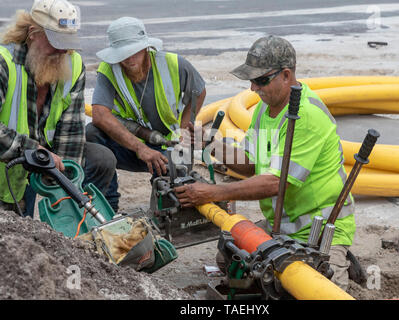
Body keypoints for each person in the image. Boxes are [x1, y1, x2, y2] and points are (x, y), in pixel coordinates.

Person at [174, 35, 356, 291]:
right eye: (251, 80)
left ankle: (341, 260)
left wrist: (214, 192)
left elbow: (276, 183)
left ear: (286, 75)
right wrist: (208, 143)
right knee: (229, 259)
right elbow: (249, 162)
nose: (253, 89)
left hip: (321, 232)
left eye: (261, 80)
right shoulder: (264, 109)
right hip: (279, 227)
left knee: (319, 290)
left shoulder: (306, 115)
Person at [0, 0, 116, 217]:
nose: (63, 49)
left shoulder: (72, 63)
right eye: (55, 41)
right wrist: (35, 151)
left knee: (101, 159)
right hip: (8, 164)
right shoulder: (3, 63)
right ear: (33, 33)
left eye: (67, 41)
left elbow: (71, 134)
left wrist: (68, 189)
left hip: (39, 160)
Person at [86, 17, 206, 212]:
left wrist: (183, 129)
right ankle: (106, 205)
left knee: (177, 177)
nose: (129, 58)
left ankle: (167, 204)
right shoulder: (109, 70)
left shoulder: (174, 64)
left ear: (145, 48)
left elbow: (198, 92)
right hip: (131, 145)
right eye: (123, 54)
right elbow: (99, 115)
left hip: (169, 144)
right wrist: (140, 147)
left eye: (134, 52)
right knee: (92, 133)